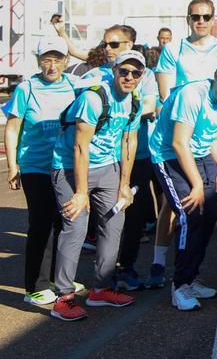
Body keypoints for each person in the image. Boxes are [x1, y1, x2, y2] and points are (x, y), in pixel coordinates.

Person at [48, 49, 147, 320]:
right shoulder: (94, 98)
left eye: (135, 72)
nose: (129, 77)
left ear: (142, 75)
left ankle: (101, 289)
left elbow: (130, 142)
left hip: (108, 168)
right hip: (71, 167)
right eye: (123, 71)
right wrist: (80, 193)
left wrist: (125, 185)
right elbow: (80, 147)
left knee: (114, 226)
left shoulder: (134, 102)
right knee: (76, 225)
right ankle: (63, 297)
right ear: (113, 70)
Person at [154, 0, 217, 281]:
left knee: (214, 201)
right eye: (195, 16)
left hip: (208, 137)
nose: (200, 21)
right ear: (188, 19)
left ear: (214, 18)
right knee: (183, 206)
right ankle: (165, 269)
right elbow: (167, 97)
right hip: (177, 137)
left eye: (206, 16)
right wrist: (187, 119)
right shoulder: (174, 49)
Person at [150, 57, 217, 310]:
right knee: (189, 215)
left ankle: (191, 278)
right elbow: (179, 143)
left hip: (201, 153)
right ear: (216, 75)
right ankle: (179, 285)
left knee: (209, 215)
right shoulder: (193, 95)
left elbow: (213, 136)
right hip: (169, 155)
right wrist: (195, 185)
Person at [71, 27, 160, 292]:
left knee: (133, 217)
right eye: (105, 44)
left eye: (113, 44)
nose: (107, 48)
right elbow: (79, 105)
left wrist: (122, 110)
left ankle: (126, 268)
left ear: (130, 44)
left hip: (137, 155)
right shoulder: (95, 75)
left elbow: (149, 105)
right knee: (97, 220)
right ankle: (96, 277)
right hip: (102, 160)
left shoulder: (147, 75)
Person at [4, 37, 85, 308]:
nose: (52, 66)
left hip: (64, 167)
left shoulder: (75, 86)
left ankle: (57, 280)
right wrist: (13, 166)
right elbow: (13, 127)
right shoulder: (27, 88)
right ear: (39, 61)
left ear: (66, 61)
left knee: (65, 224)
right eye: (46, 60)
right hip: (36, 167)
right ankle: (35, 286)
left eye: (57, 59)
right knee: (41, 224)